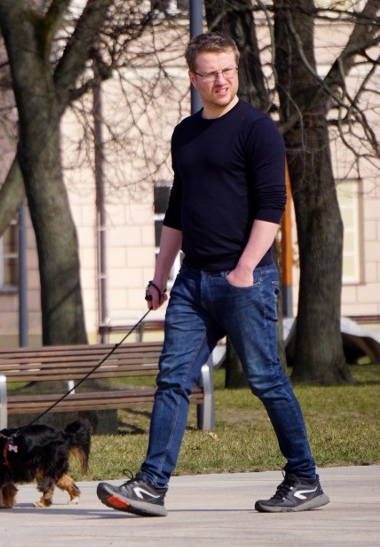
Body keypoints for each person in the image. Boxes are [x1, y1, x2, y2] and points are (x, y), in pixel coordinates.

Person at [97, 32, 329, 517]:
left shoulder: (256, 129)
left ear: (236, 72)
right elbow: (177, 210)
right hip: (192, 284)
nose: (220, 80)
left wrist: (245, 269)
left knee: (266, 380)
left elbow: (272, 205)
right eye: (210, 72)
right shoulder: (185, 133)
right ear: (193, 77)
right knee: (172, 380)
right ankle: (152, 486)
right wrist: (160, 276)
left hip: (246, 281)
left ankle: (304, 478)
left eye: (227, 70)